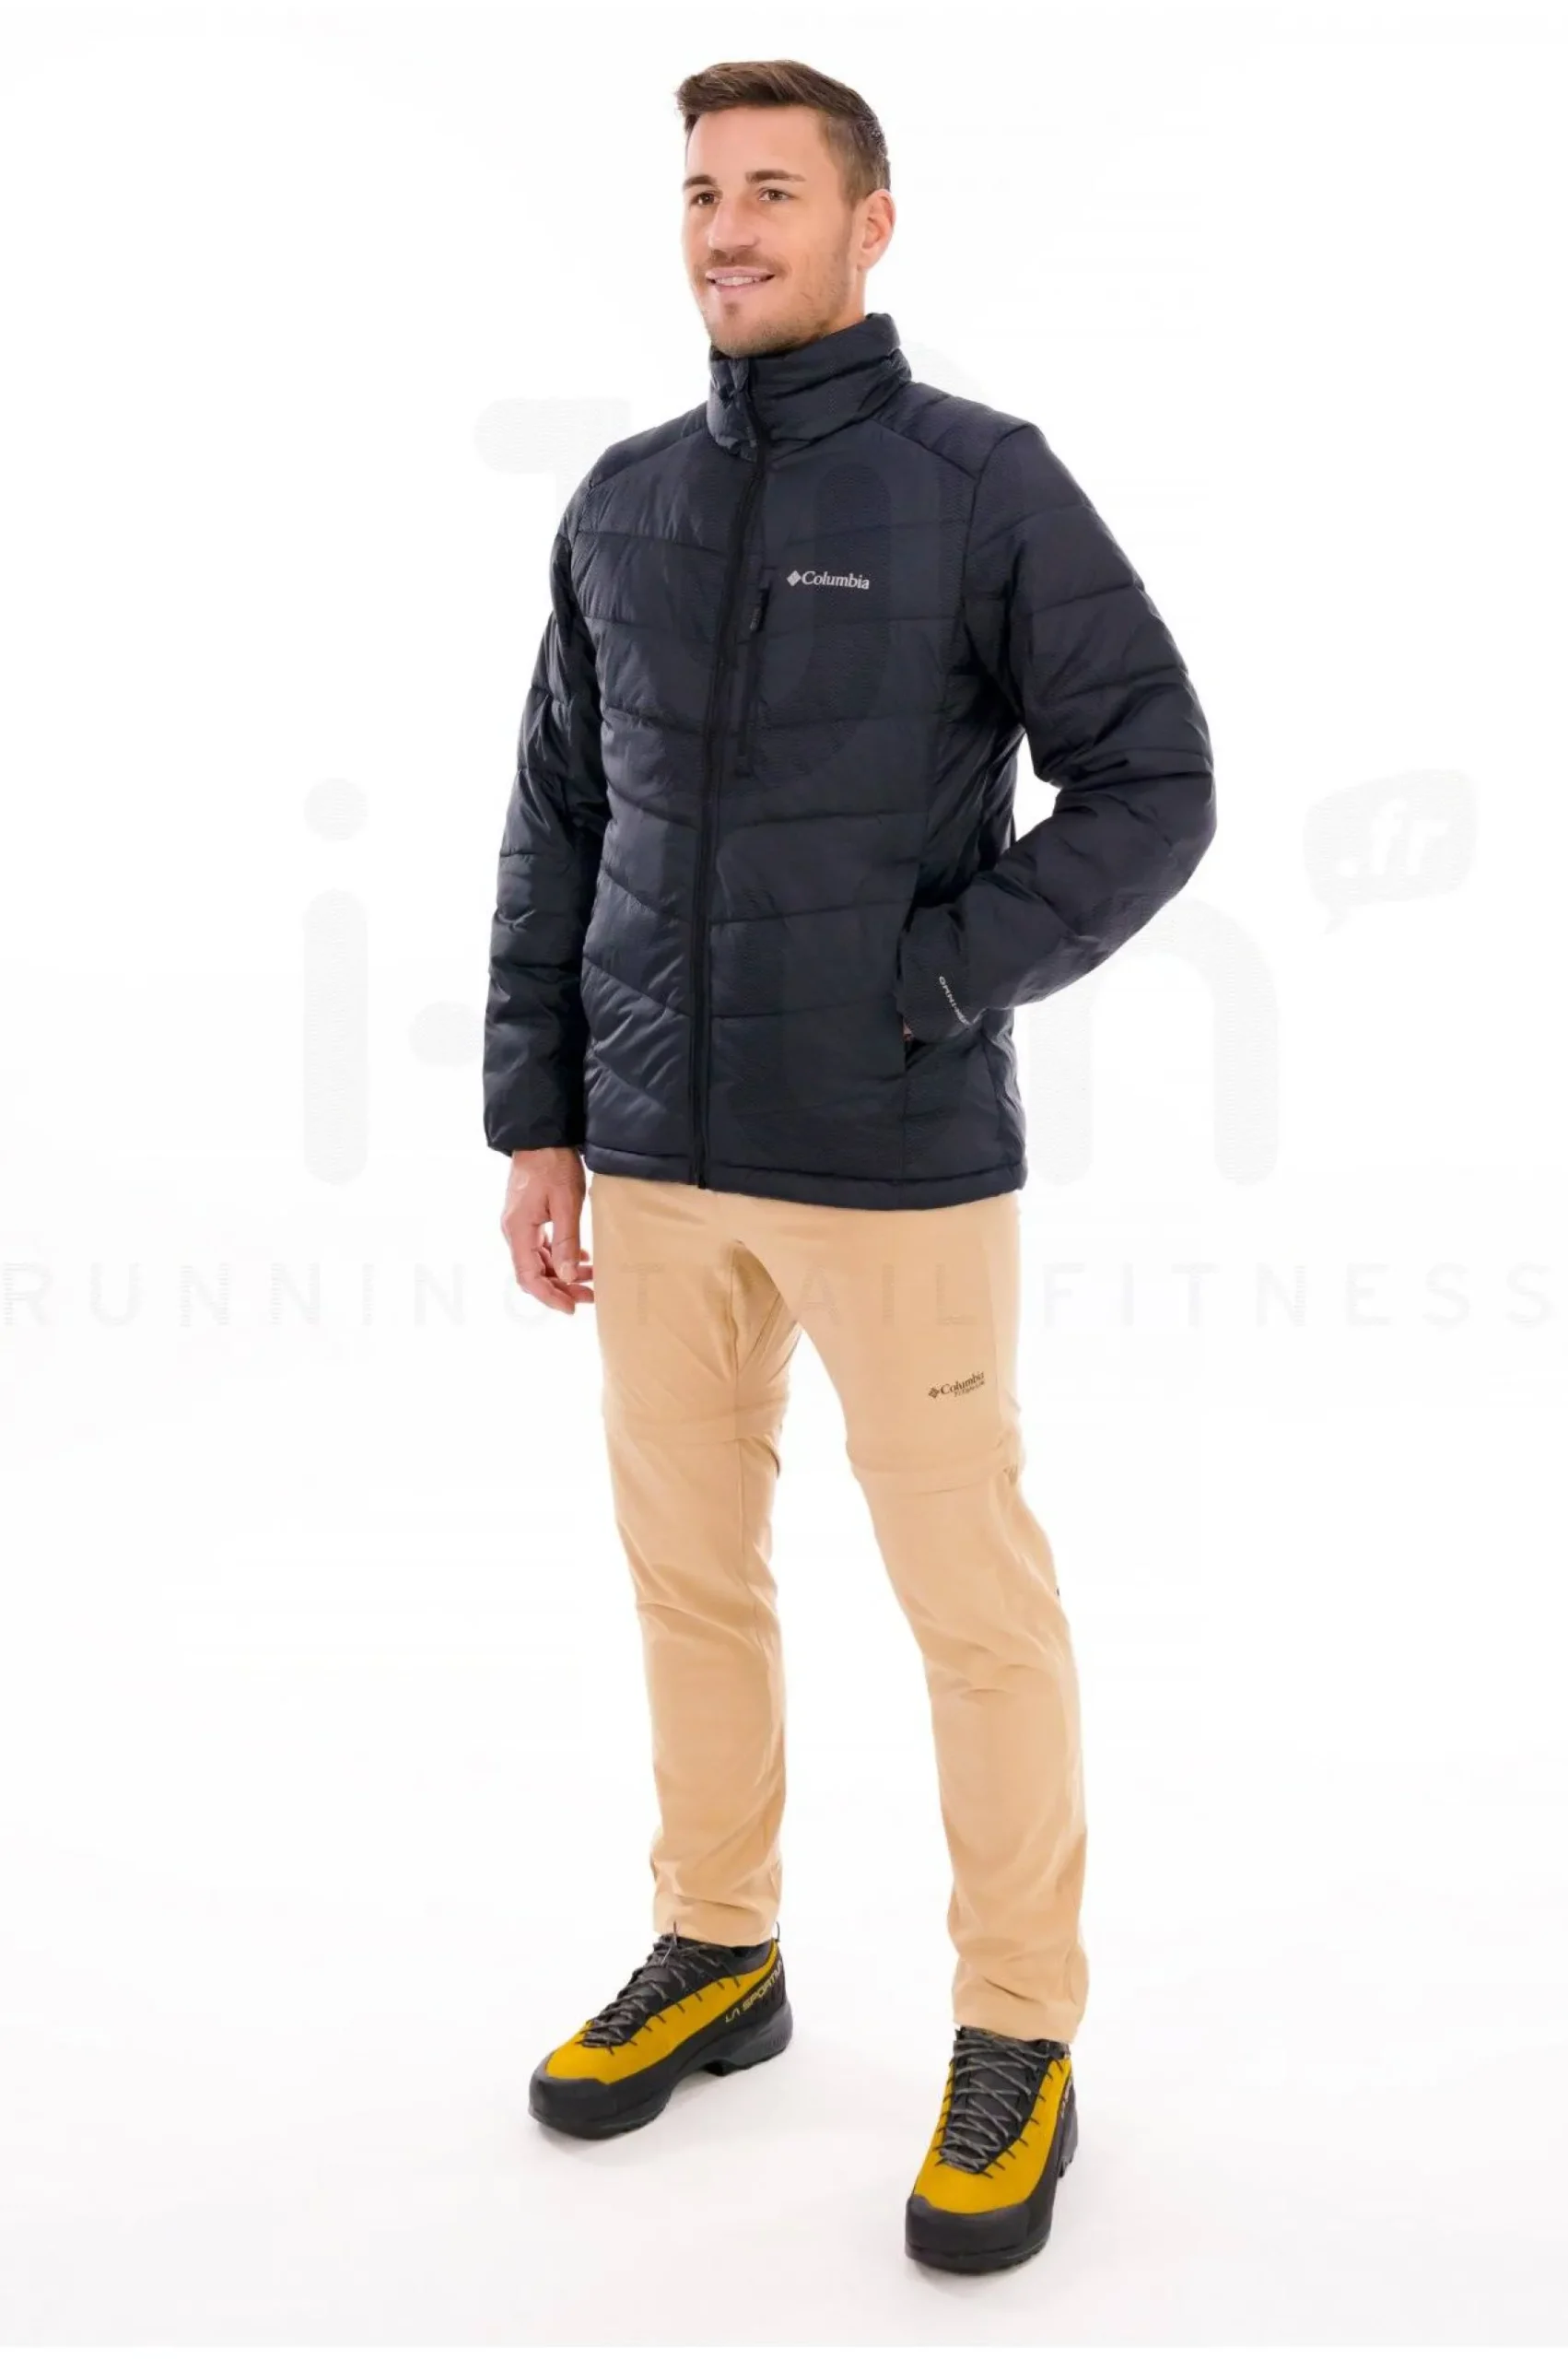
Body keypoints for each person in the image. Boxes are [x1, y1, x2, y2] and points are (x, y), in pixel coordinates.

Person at [484, 56, 1215, 2276]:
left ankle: (1017, 2029)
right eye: (701, 190)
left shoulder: (977, 482)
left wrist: (933, 978)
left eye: (772, 191)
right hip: (656, 1156)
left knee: (969, 1606)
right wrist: (537, 1113)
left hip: (893, 1158)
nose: (725, 227)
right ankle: (718, 1942)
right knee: (686, 1577)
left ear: (867, 225)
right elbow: (556, 819)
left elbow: (1149, 775)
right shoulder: (621, 499)